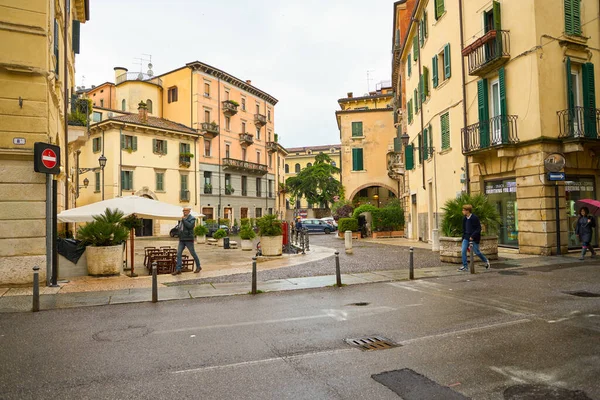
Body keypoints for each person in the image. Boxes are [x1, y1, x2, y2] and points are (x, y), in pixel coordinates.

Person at [459, 204, 490, 272]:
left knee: (477, 252)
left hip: (474, 238)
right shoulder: (464, 219)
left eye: (464, 210)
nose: (462, 211)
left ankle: (486, 261)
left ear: (468, 211)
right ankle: (465, 266)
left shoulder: (474, 218)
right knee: (463, 251)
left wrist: (473, 236)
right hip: (466, 237)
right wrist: (463, 237)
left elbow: (478, 228)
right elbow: (464, 229)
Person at [172, 207, 202, 275]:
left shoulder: (192, 218)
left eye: (185, 211)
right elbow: (180, 227)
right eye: (183, 211)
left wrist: (184, 220)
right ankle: (178, 269)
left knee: (193, 253)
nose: (184, 212)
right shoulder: (182, 219)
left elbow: (190, 226)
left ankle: (198, 266)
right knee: (178, 253)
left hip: (188, 239)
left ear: (189, 211)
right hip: (182, 239)